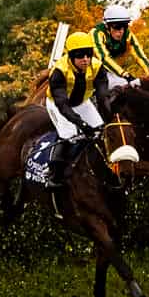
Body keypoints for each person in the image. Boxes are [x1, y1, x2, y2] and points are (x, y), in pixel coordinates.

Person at [46, 32, 107, 187]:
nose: (86, 59)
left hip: (82, 102)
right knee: (70, 135)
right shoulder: (59, 71)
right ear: (71, 57)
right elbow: (63, 106)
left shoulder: (98, 66)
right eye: (80, 56)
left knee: (101, 131)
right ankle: (54, 173)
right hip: (58, 104)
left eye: (88, 54)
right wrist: (82, 124)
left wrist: (108, 115)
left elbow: (102, 97)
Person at [94, 3, 149, 91]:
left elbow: (141, 56)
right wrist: (125, 75)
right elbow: (103, 58)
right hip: (91, 73)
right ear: (107, 25)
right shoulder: (97, 33)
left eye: (124, 26)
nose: (121, 31)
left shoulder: (128, 35)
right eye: (117, 27)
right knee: (123, 83)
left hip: (114, 73)